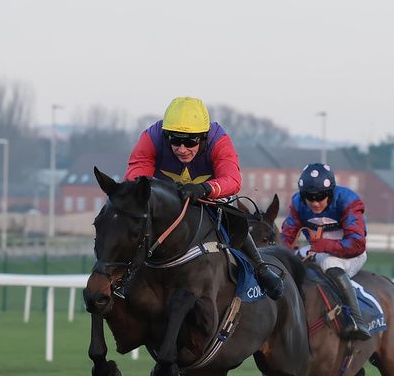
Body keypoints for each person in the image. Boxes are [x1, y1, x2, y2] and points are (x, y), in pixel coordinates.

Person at [125, 96, 283, 300]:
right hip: (166, 196)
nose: (182, 149)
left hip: (208, 194)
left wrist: (205, 188)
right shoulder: (151, 137)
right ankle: (117, 274)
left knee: (233, 215)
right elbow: (135, 177)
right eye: (175, 140)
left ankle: (260, 268)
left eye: (190, 141)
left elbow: (233, 180)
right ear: (166, 135)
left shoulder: (219, 140)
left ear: (204, 137)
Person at [280, 163, 371, 341]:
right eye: (309, 197)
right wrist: (286, 253)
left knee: (329, 263)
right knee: (289, 260)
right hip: (318, 251)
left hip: (351, 254)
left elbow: (357, 244)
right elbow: (286, 237)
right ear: (302, 195)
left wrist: (324, 246)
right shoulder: (297, 203)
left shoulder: (348, 200)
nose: (315, 202)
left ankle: (356, 320)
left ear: (330, 193)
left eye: (320, 197)